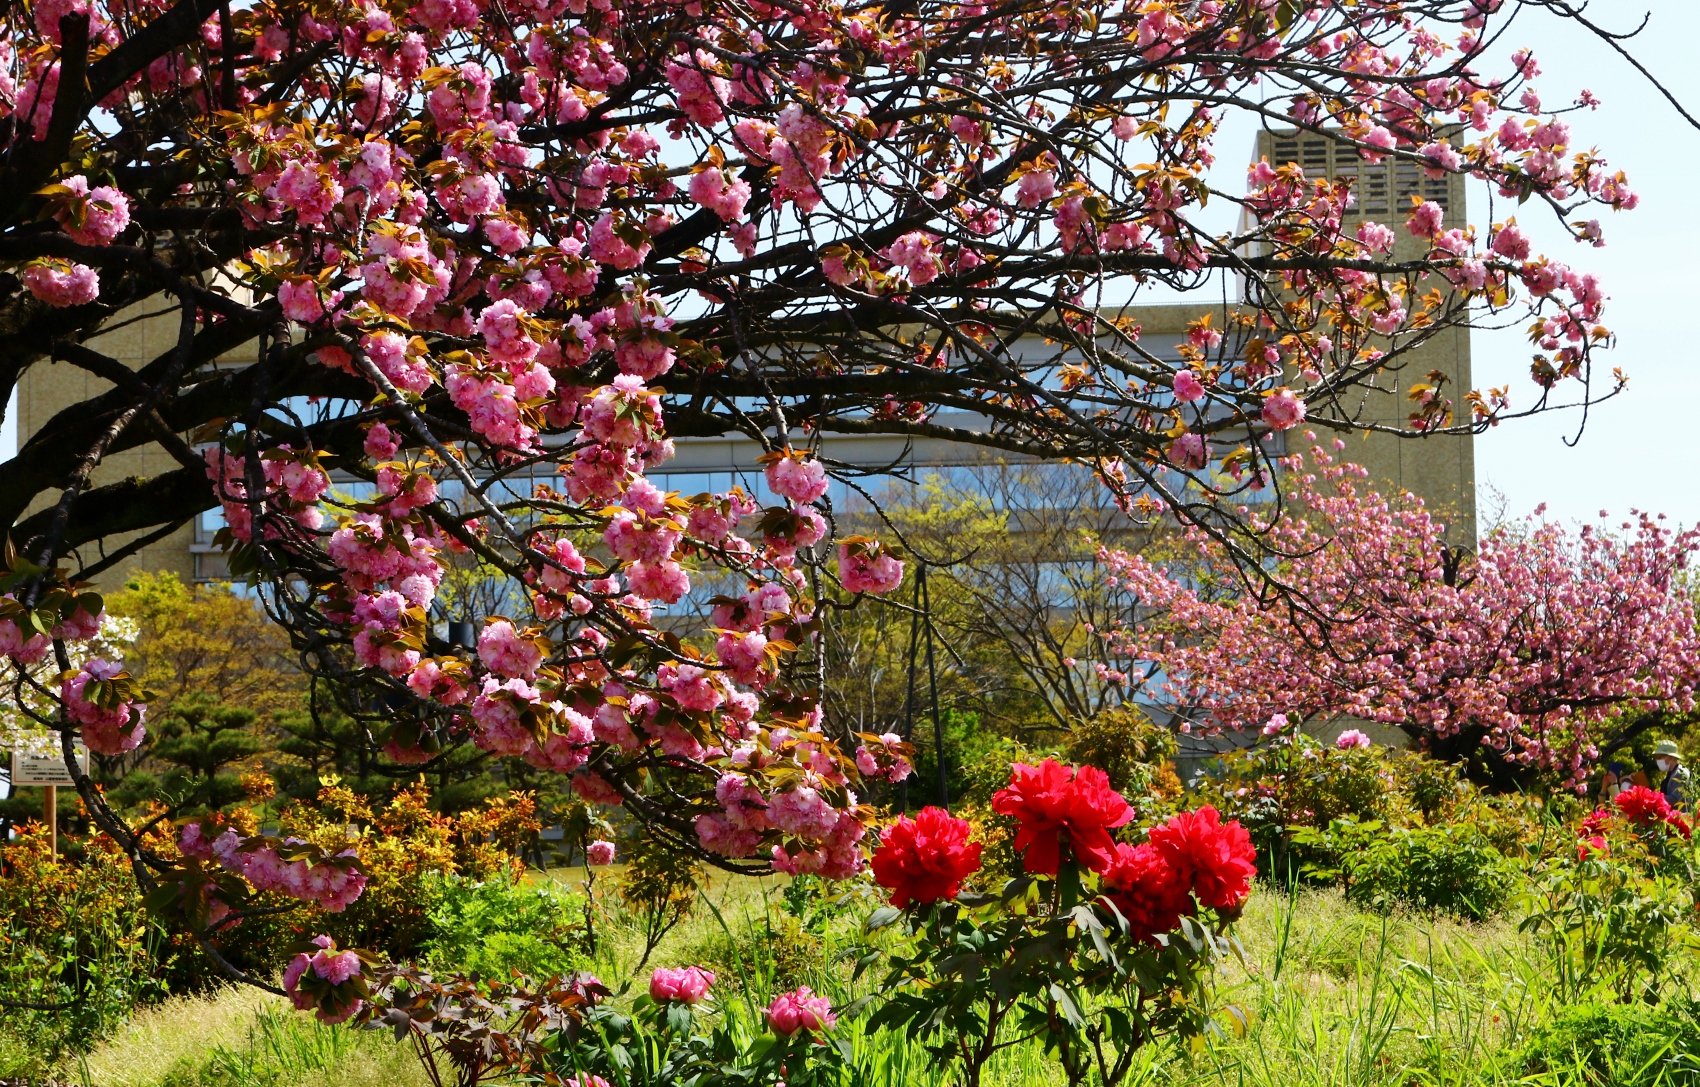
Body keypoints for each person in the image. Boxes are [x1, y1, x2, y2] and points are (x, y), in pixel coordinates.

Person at [1654, 740, 1690, 811]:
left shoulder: (1680, 774)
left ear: (1671, 757)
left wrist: (1654, 797)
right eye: (1656, 757)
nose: (1657, 760)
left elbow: (1675, 800)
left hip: (1681, 818)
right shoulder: (1670, 774)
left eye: (1660, 757)